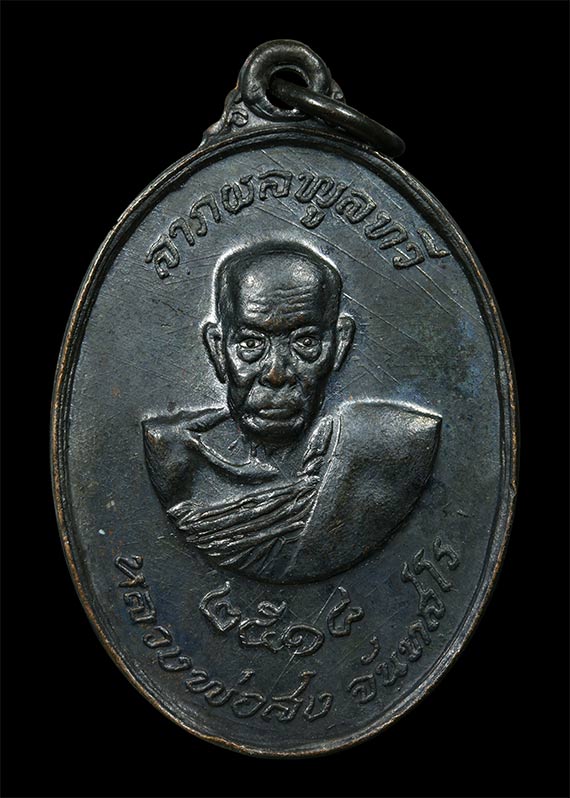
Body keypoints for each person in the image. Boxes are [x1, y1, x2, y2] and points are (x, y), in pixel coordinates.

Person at [143, 243, 440, 583]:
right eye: (251, 344)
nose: (276, 373)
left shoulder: (390, 450)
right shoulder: (173, 456)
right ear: (217, 348)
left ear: (339, 344)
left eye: (305, 342)